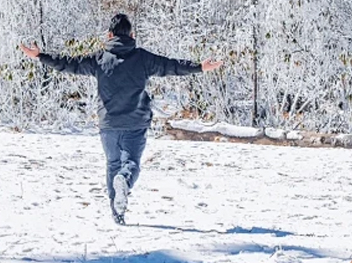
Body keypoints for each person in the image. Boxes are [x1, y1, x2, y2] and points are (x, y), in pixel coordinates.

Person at [19, 13, 223, 225]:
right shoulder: (143, 58)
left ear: (109, 35)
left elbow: (67, 63)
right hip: (135, 123)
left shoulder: (98, 58)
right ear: (132, 35)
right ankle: (123, 182)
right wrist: (200, 66)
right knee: (131, 164)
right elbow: (170, 66)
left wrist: (40, 56)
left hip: (108, 125)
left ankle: (117, 212)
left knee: (113, 164)